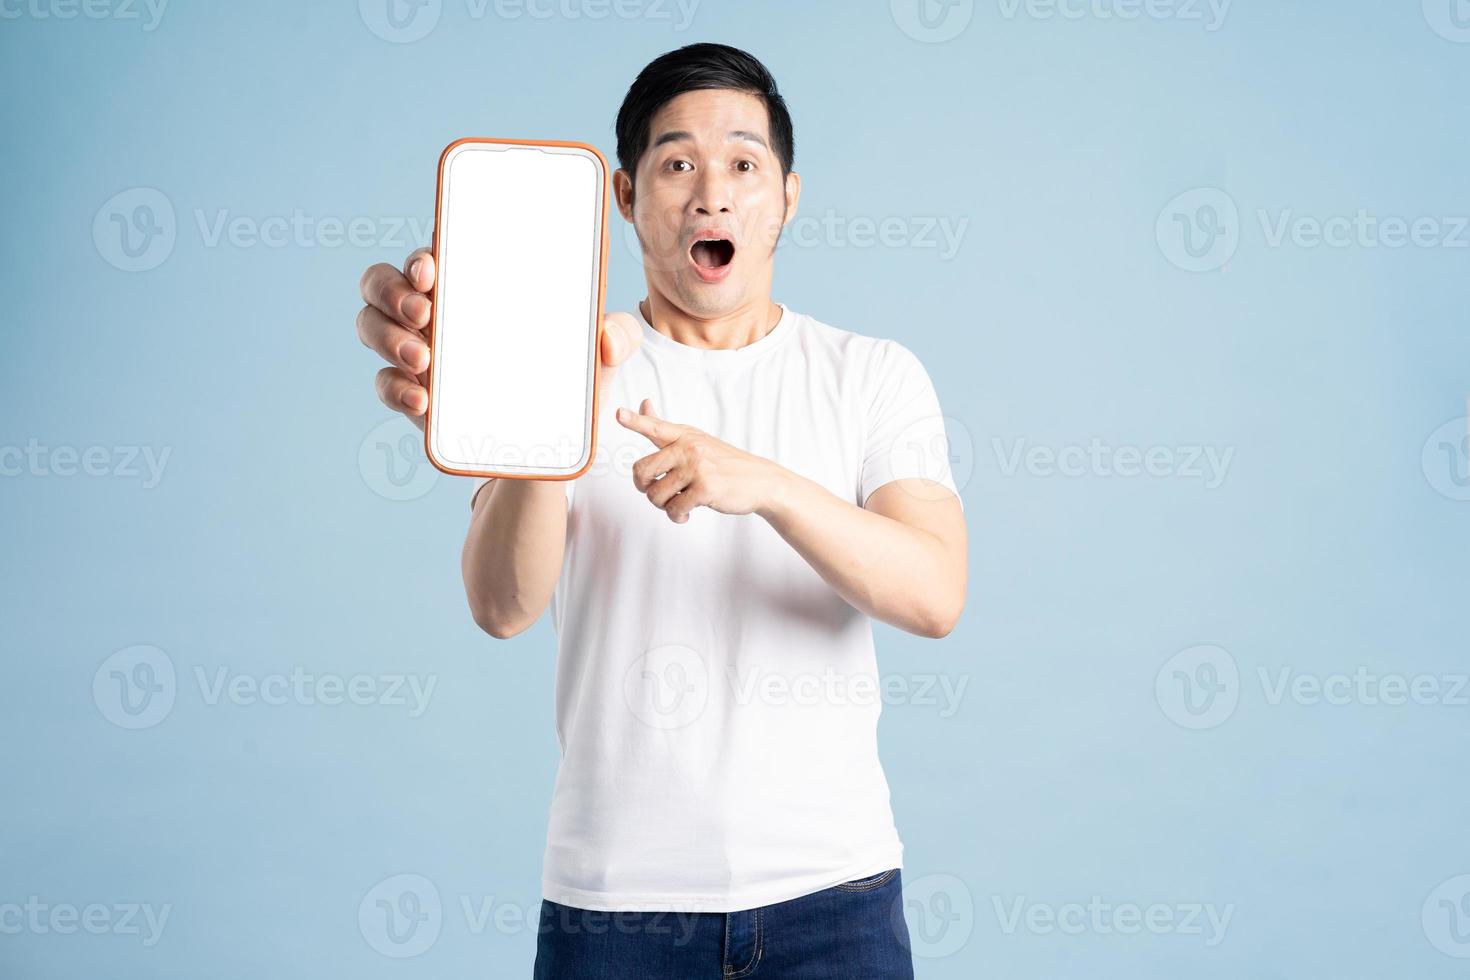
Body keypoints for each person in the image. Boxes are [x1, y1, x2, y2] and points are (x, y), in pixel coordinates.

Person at [356, 42, 967, 980]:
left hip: (833, 898)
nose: (711, 194)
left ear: (788, 198)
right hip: (613, 907)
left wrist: (761, 484)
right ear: (627, 197)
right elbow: (501, 606)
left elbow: (934, 594)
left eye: (743, 165)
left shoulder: (870, 375)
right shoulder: (574, 363)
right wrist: (542, 424)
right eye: (677, 162)